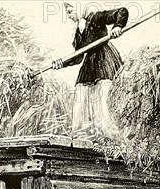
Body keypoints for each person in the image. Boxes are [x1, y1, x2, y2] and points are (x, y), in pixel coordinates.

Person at [52, 3, 129, 135]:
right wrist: (61, 63)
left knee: (103, 98)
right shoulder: (78, 31)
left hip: (104, 60)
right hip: (89, 65)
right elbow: (77, 57)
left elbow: (121, 12)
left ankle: (108, 137)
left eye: (71, 11)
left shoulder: (95, 18)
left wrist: (117, 26)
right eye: (68, 13)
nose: (70, 16)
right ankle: (81, 135)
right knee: (80, 97)